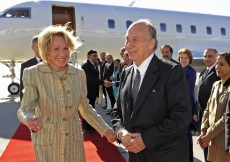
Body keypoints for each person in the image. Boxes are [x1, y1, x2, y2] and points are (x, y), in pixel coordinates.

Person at [17, 25, 116, 162]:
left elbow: (86, 108)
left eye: (66, 49)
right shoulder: (33, 73)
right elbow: (25, 109)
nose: (63, 54)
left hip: (74, 143)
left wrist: (106, 130)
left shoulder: (78, 74)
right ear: (46, 51)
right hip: (48, 143)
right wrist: (29, 119)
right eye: (56, 49)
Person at [111, 19, 191, 161]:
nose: (128, 45)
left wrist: (146, 139)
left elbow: (181, 116)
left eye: (135, 40)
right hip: (135, 156)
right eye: (127, 39)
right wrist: (121, 132)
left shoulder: (171, 71)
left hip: (165, 155)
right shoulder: (126, 73)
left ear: (151, 43)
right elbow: (117, 111)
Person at [198, 52, 230, 162]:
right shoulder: (216, 85)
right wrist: (203, 131)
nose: (217, 67)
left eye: (221, 64)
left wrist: (208, 134)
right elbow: (207, 109)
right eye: (216, 63)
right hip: (212, 141)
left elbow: (227, 117)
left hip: (225, 143)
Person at [193, 48, 220, 162]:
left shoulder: (218, 73)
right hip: (202, 115)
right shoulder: (203, 72)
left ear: (216, 58)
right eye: (205, 56)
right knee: (204, 144)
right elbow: (198, 94)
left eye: (210, 56)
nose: (207, 59)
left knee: (213, 147)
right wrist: (196, 111)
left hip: (213, 117)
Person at [81, 50, 109, 133]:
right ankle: (85, 127)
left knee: (92, 109)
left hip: (93, 90)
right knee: (86, 110)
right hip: (88, 91)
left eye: (96, 56)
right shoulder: (86, 65)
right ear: (88, 56)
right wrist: (103, 82)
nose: (96, 57)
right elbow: (90, 78)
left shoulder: (94, 64)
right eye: (94, 56)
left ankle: (91, 125)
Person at [178, 48, 199, 135]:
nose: (183, 60)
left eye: (186, 58)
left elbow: (188, 87)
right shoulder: (177, 69)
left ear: (190, 59)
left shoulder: (191, 71)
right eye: (181, 57)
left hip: (187, 100)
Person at [19, 35, 42, 101]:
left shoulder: (52, 63)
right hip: (34, 104)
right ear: (32, 48)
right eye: (38, 47)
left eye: (43, 46)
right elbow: (23, 87)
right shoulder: (26, 65)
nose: (41, 49)